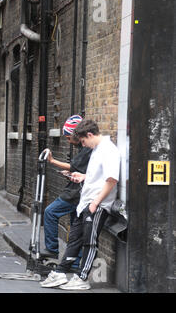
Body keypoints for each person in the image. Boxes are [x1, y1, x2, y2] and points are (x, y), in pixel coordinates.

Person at [40, 119, 120, 290]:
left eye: (83, 141)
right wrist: (82, 177)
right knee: (74, 239)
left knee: (89, 242)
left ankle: (82, 278)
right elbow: (98, 175)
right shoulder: (96, 149)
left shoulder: (108, 150)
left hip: (96, 205)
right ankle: (60, 273)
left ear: (90, 135)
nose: (83, 144)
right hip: (84, 203)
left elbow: (111, 179)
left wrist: (95, 203)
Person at [41, 115, 92, 269]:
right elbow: (79, 169)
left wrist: (52, 161)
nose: (67, 140)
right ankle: (75, 262)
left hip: (76, 193)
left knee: (50, 212)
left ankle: (52, 250)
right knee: (75, 226)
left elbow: (73, 167)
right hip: (79, 191)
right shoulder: (84, 148)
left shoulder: (87, 149)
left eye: (69, 137)